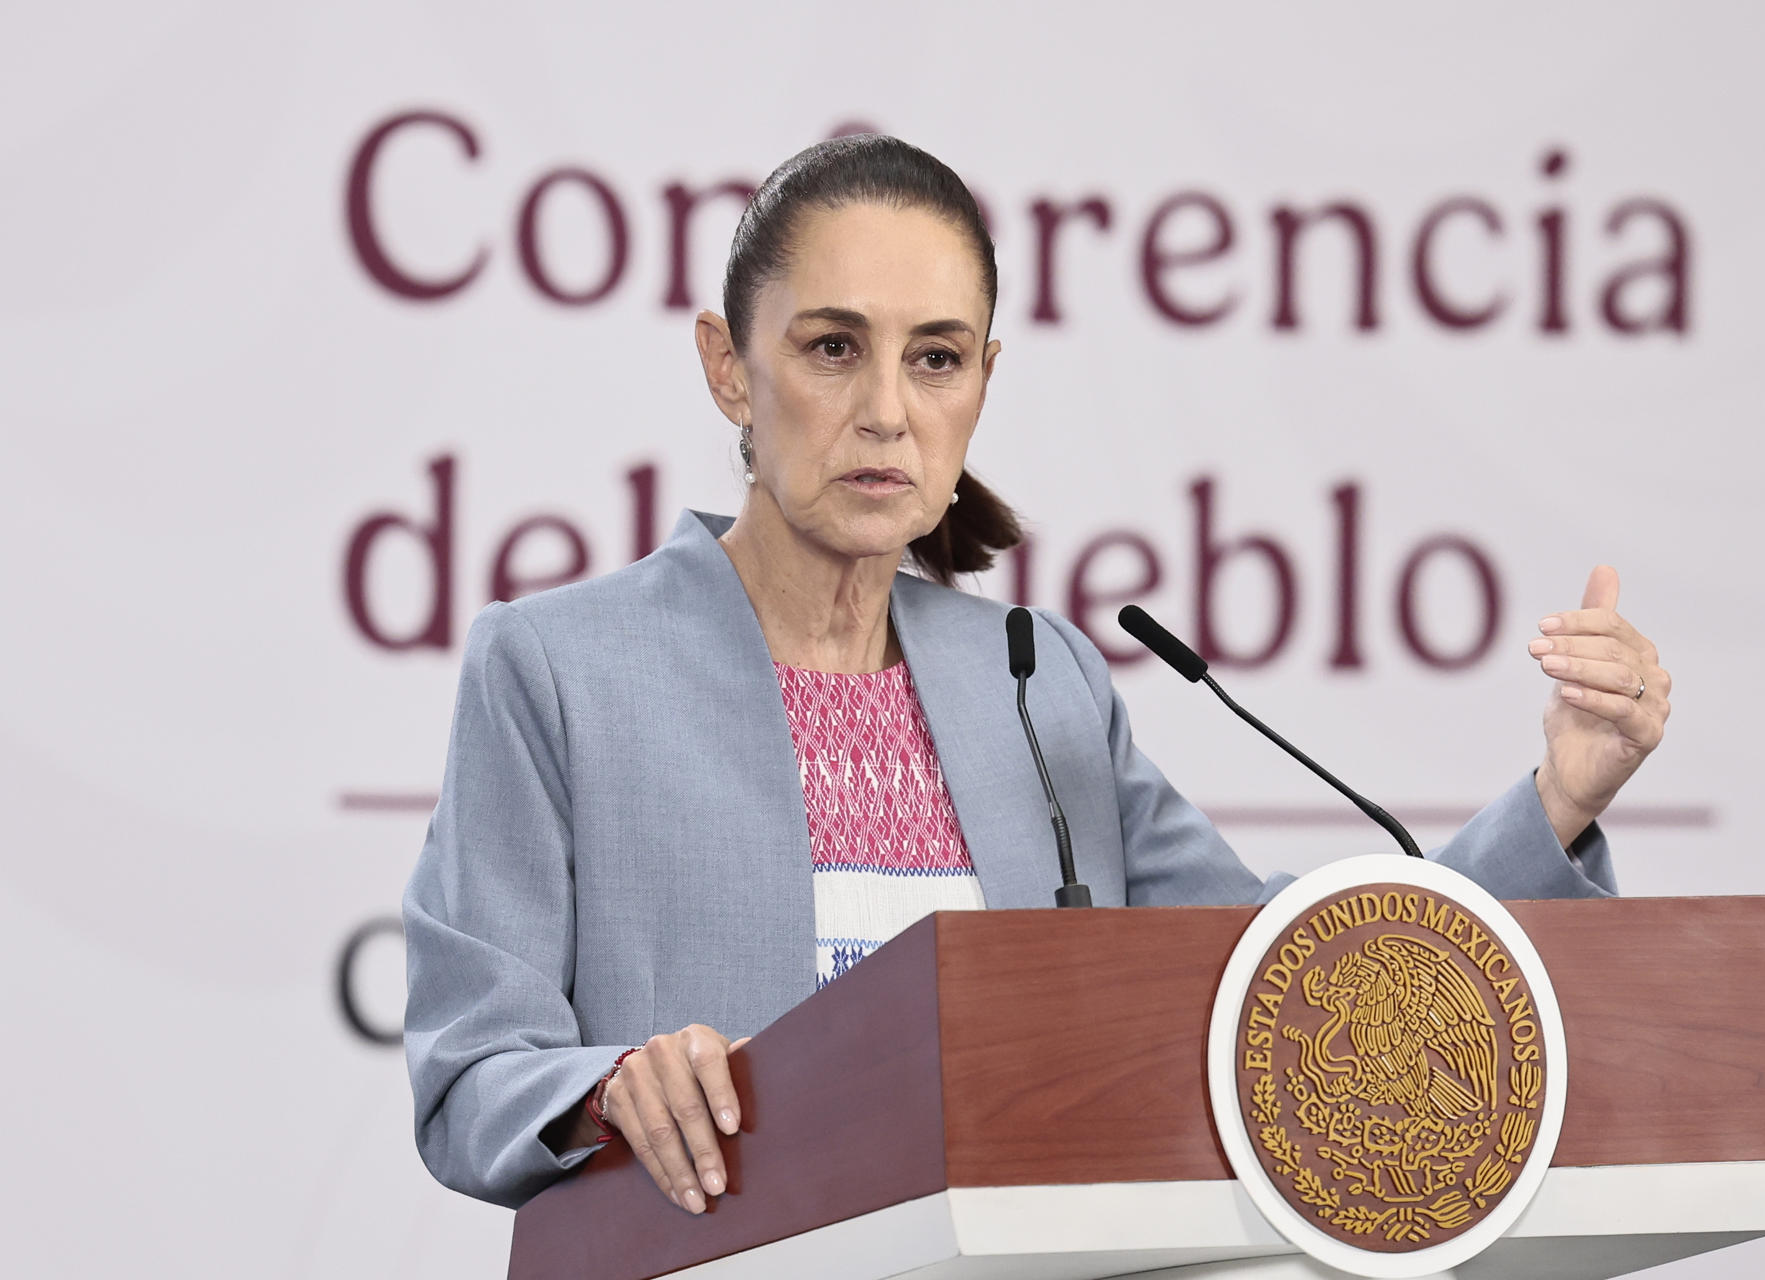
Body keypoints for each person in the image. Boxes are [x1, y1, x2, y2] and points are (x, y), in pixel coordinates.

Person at [402, 135, 1673, 1217]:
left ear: (985, 381)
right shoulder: (559, 667)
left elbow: (1290, 989)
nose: (889, 410)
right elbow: (471, 1067)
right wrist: (608, 1082)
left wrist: (1559, 797)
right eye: (834, 347)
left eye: (937, 357)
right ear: (729, 365)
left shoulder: (1039, 677)